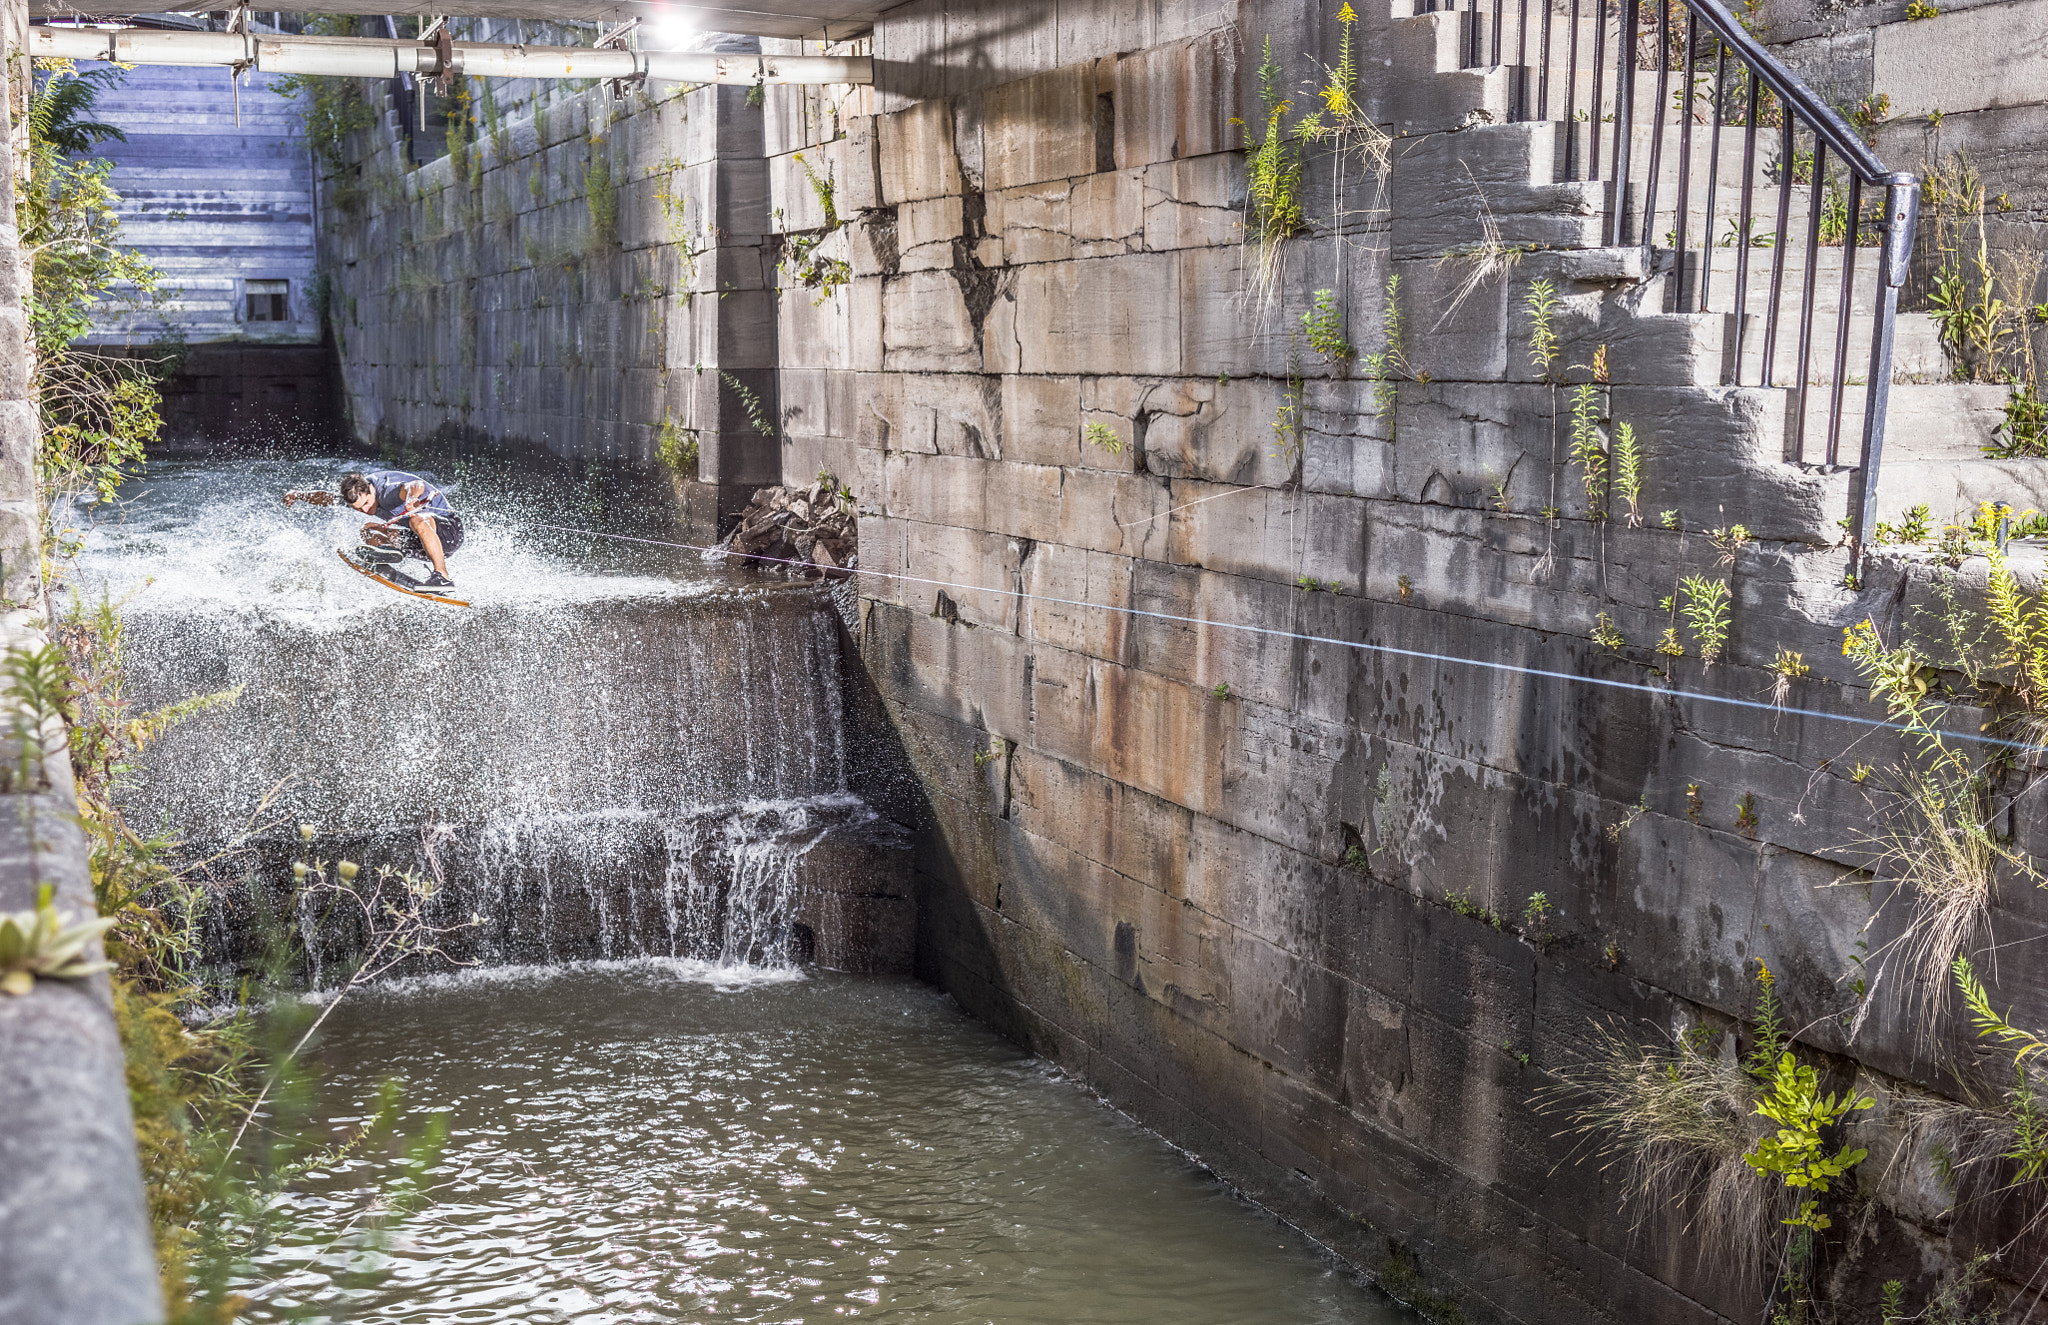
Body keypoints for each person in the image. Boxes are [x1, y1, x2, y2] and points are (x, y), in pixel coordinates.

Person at [285, 468, 465, 589]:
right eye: (359, 509)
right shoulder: (356, 494)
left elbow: (415, 486)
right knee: (369, 530)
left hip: (449, 533)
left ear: (370, 490)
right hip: (425, 543)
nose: (365, 510)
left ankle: (442, 577)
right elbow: (327, 498)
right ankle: (386, 562)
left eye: (366, 503)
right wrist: (298, 495)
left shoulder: (386, 490)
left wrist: (410, 500)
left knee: (416, 520)